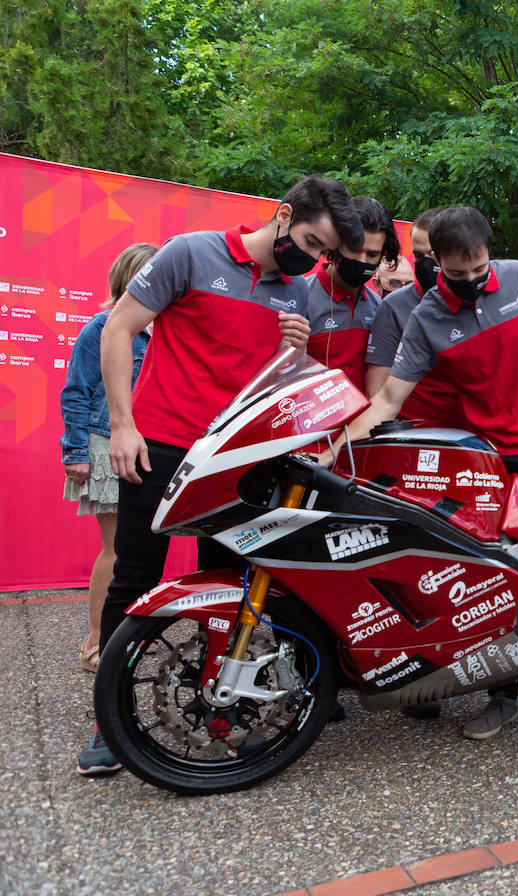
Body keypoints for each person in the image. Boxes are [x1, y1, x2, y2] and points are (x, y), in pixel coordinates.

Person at [81, 175, 363, 777]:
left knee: (233, 587)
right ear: (284, 215)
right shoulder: (190, 253)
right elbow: (118, 328)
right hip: (161, 444)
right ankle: (110, 723)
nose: (315, 260)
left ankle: (219, 705)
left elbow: (292, 386)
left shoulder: (305, 293)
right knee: (135, 575)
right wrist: (123, 425)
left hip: (241, 459)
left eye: (325, 254)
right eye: (312, 242)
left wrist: (299, 353)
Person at [335, 204, 518, 740]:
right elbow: (387, 401)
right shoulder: (427, 318)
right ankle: (504, 694)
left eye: (479, 271)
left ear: (489, 253)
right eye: (457, 274)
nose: (472, 283)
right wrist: (333, 450)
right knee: (504, 582)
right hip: (495, 462)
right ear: (437, 263)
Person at [59, 242, 156, 673]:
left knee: (137, 550)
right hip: (105, 444)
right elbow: (76, 393)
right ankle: (97, 642)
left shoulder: (168, 330)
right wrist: (76, 452)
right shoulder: (102, 326)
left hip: (154, 448)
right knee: (115, 548)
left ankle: (123, 640)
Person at [303, 197, 401, 391]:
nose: (362, 260)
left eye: (372, 255)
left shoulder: (378, 307)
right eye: (354, 249)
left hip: (363, 418)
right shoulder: (301, 298)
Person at [365, 207, 443, 398]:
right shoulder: (393, 306)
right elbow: (377, 392)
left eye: (431, 254)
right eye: (417, 255)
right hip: (411, 424)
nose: (425, 263)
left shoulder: (474, 299)